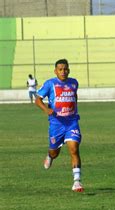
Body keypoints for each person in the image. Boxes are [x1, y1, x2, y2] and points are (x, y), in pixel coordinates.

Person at [35, 59, 84, 192]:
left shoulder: (74, 83)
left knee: (74, 149)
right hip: (56, 124)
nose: (63, 72)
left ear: (69, 70)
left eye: (65, 69)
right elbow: (38, 99)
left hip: (72, 122)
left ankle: (77, 182)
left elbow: (74, 97)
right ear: (55, 71)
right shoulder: (50, 84)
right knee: (55, 152)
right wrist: (46, 110)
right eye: (60, 69)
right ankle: (50, 156)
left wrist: (73, 110)